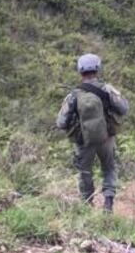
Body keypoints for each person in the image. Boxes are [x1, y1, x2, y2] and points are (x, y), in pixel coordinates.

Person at [55, 54, 129, 212]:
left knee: (85, 172)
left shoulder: (74, 94)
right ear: (98, 68)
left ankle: (87, 205)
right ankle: (108, 204)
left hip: (84, 141)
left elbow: (61, 122)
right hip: (106, 138)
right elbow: (124, 109)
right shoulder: (107, 89)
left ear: (80, 71)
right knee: (109, 168)